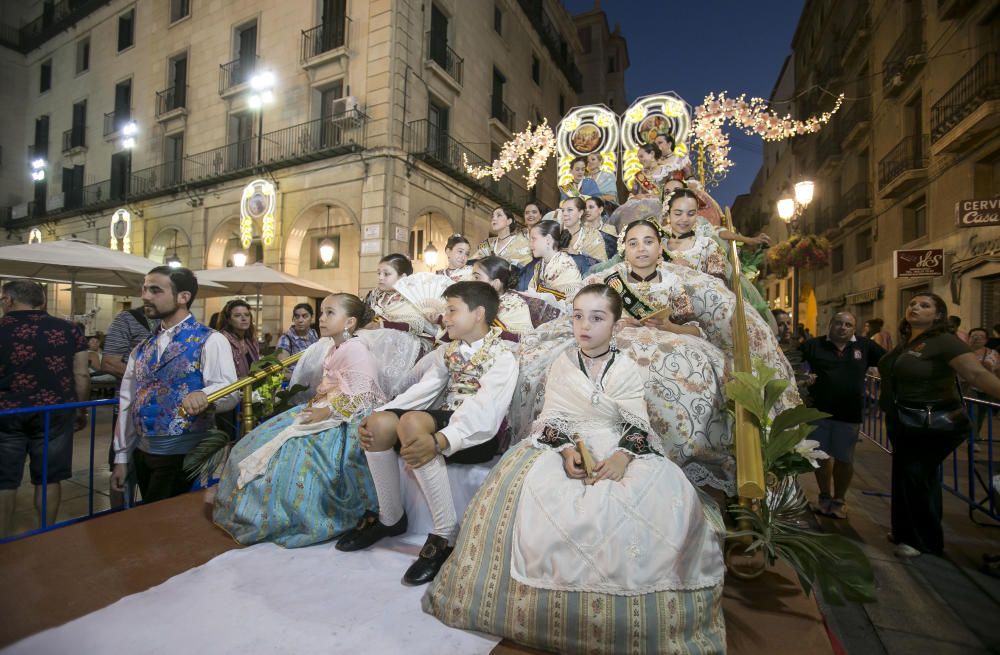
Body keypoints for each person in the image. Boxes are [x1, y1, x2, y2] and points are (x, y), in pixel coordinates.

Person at [423, 284, 726, 653]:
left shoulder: (627, 367)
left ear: (615, 324)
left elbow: (637, 424)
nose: (585, 325)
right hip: (567, 443)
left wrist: (621, 458)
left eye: (597, 318)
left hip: (617, 444)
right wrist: (566, 451)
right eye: (579, 316)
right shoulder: (563, 364)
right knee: (533, 489)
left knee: (654, 500)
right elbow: (552, 418)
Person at [336, 282, 518, 586]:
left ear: (478, 313)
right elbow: (424, 390)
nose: (444, 318)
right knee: (381, 424)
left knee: (410, 424)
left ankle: (445, 534)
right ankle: (390, 518)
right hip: (442, 421)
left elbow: (487, 411)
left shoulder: (503, 355)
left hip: (477, 434)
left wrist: (442, 440)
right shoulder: (448, 352)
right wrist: (379, 415)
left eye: (451, 310)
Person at [213, 294, 382, 547]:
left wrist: (326, 412)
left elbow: (363, 394)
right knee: (257, 444)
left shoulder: (355, 348)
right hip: (323, 407)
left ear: (349, 322)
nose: (321, 319)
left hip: (341, 417)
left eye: (329, 313)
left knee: (295, 456)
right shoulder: (337, 346)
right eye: (322, 312)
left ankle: (296, 514)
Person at [878, 294, 1000, 557]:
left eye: (925, 305)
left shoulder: (944, 341)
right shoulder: (908, 341)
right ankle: (903, 532)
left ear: (938, 315)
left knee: (917, 476)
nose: (915, 308)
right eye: (912, 304)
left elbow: (976, 374)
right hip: (903, 422)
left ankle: (924, 540)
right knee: (905, 476)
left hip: (930, 423)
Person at [110, 267, 239, 504]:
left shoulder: (210, 339)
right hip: (143, 453)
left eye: (155, 290)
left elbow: (229, 390)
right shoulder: (142, 348)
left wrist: (205, 395)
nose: (145, 296)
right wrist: (122, 457)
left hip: (186, 455)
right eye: (145, 289)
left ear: (183, 297)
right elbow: (128, 401)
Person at [0, 280, 89, 536]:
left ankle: (4, 541)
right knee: (49, 477)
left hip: (7, 413)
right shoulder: (69, 329)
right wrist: (80, 409)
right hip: (55, 412)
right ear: (43, 301)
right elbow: (81, 374)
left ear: (9, 300)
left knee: (4, 480)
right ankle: (46, 534)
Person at [801, 312, 885, 519]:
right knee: (820, 456)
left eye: (848, 324)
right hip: (818, 411)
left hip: (849, 413)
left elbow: (889, 362)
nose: (843, 328)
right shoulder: (813, 345)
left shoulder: (865, 346)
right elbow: (790, 364)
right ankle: (824, 497)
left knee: (844, 458)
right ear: (830, 325)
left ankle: (839, 499)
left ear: (853, 328)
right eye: (838, 323)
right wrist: (802, 380)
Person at [472, 256, 561, 335]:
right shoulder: (486, 299)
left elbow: (520, 341)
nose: (471, 281)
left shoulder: (513, 306)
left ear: (495, 284)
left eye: (477, 277)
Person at [661, 188, 727, 278]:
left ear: (697, 215)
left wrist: (691, 273)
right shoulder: (658, 245)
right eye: (678, 213)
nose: (684, 219)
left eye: (691, 214)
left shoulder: (707, 245)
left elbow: (719, 286)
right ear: (668, 214)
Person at [518, 220, 582, 300]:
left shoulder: (565, 264)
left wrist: (539, 296)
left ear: (548, 239)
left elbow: (570, 299)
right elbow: (532, 290)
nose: (530, 245)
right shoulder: (539, 265)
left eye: (533, 239)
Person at [609, 143, 666, 229]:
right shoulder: (639, 176)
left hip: (662, 210)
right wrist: (638, 196)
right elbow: (632, 195)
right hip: (641, 211)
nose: (639, 160)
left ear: (652, 154)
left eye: (641, 156)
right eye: (638, 157)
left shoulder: (667, 172)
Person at [964, 327, 999, 438]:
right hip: (968, 387)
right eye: (974, 336)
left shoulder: (993, 353)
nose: (977, 339)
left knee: (981, 413)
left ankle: (975, 434)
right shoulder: (962, 352)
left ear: (986, 340)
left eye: (981, 337)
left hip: (986, 388)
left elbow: (995, 369)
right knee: (973, 412)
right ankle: (972, 439)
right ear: (968, 338)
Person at [218, 299, 260, 378]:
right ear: (229, 320)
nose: (244, 318)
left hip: (252, 387)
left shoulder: (251, 340)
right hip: (231, 388)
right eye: (237, 315)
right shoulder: (222, 340)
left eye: (247, 315)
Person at [559, 197, 607, 263]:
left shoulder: (593, 236)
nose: (565, 214)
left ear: (580, 213)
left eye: (569, 210)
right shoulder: (556, 234)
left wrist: (578, 255)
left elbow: (602, 265)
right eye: (563, 210)